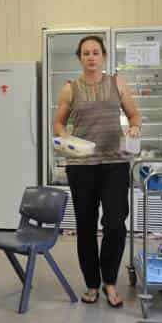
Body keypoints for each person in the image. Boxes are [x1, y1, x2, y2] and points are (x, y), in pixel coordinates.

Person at [53, 35, 142, 308]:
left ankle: (110, 282)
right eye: (85, 53)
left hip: (114, 164)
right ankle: (92, 284)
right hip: (81, 167)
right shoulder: (70, 89)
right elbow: (58, 124)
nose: (91, 57)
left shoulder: (117, 83)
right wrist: (69, 140)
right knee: (86, 226)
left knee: (115, 224)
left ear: (103, 56)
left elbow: (134, 114)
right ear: (80, 58)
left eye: (95, 52)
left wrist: (134, 128)